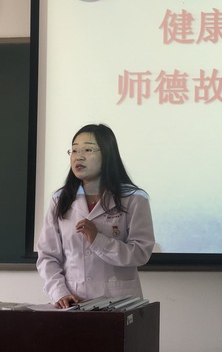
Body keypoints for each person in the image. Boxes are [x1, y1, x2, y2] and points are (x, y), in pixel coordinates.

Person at [36, 124, 155, 309]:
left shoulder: (134, 198)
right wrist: (60, 293)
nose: (78, 156)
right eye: (74, 150)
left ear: (107, 154)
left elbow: (140, 253)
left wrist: (98, 240)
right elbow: (47, 256)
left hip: (119, 302)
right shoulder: (60, 199)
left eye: (88, 150)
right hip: (72, 302)